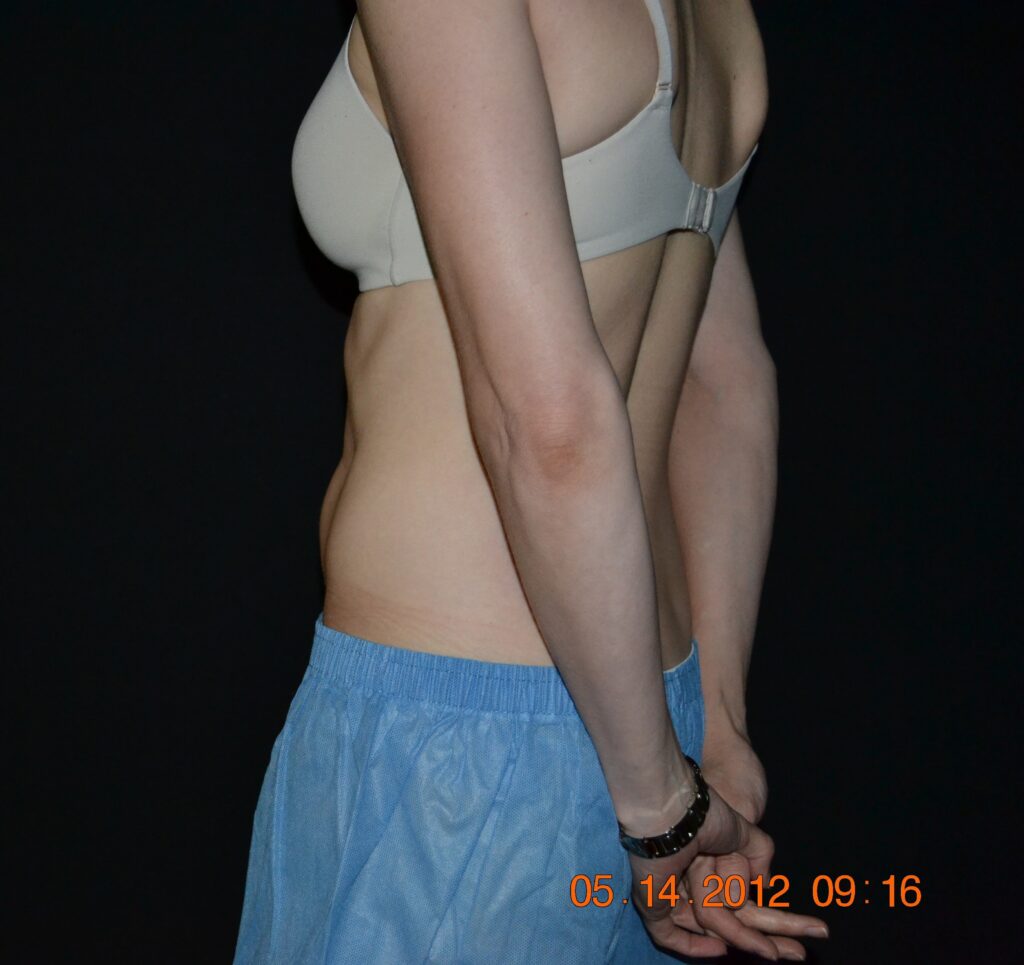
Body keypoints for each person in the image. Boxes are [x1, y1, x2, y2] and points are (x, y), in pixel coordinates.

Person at [233, 0, 830, 961]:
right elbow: (724, 387)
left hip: (453, 752)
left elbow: (549, 426)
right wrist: (715, 735)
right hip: (654, 715)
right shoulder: (722, 18)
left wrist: (662, 812)